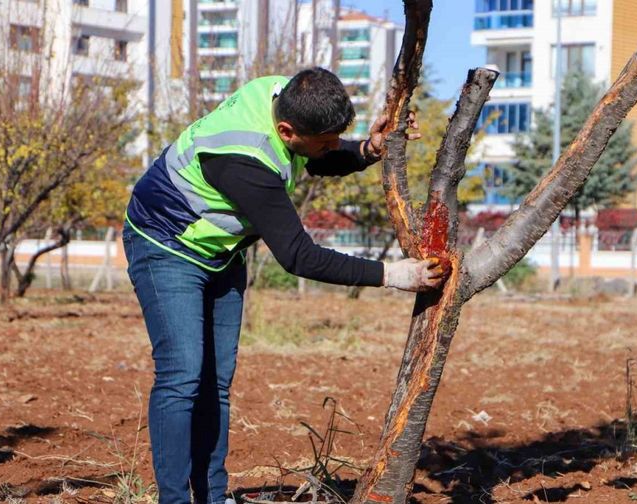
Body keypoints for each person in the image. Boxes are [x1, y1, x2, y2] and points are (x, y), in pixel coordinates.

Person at [122, 67, 446, 504]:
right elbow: (299, 257)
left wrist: (368, 150)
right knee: (183, 375)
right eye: (327, 141)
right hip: (165, 244)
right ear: (286, 130)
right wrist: (392, 275)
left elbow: (316, 155)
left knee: (215, 383)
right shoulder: (244, 161)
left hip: (220, 251)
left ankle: (212, 497)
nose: (332, 149)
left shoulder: (282, 92)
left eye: (337, 139)